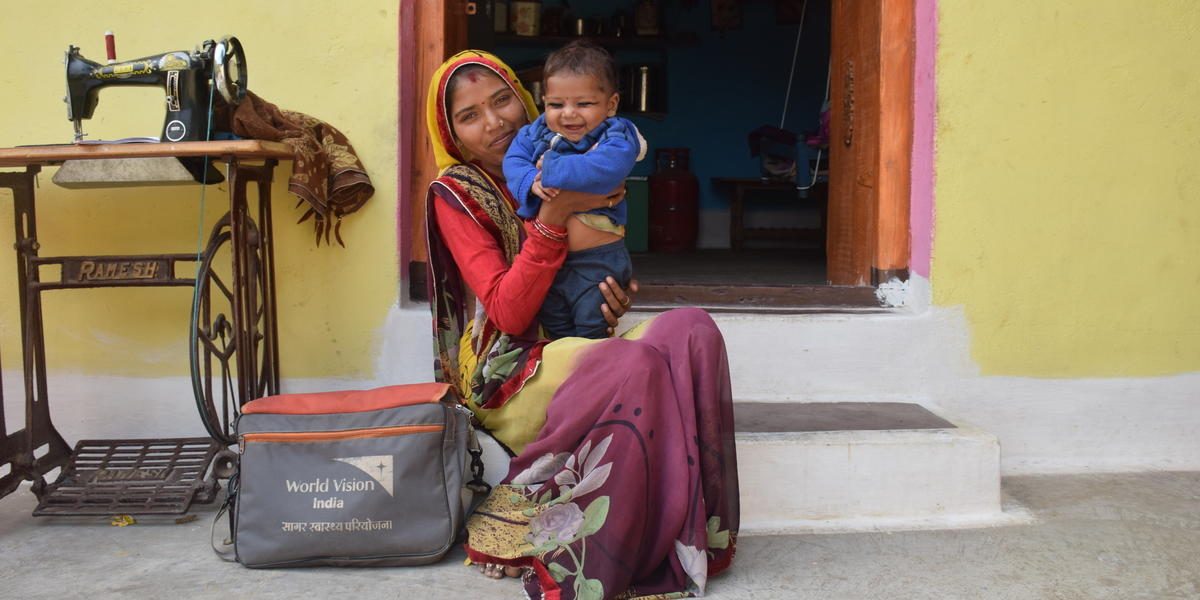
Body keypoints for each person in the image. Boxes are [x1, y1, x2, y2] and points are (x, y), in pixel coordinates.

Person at [425, 50, 739, 600]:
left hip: (582, 347)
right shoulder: (458, 194)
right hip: (510, 370)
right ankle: (525, 522)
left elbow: (603, 250)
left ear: (526, 101)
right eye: (469, 116)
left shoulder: (577, 150)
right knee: (630, 360)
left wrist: (610, 296)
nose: (494, 122)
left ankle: (673, 532)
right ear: (451, 134)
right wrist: (551, 216)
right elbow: (508, 314)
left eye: (501, 101)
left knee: (692, 330)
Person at [502, 40, 645, 339]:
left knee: (591, 330)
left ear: (611, 105)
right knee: (556, 332)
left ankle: (591, 368)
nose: (568, 114)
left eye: (584, 104)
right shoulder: (536, 132)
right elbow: (513, 160)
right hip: (551, 263)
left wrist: (552, 170)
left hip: (597, 262)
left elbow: (608, 168)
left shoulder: (617, 134)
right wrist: (529, 180)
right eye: (556, 104)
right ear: (544, 101)